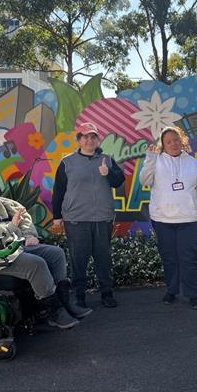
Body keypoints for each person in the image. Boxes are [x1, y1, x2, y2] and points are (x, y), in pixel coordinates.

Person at [0, 176, 91, 330]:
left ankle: (64, 303)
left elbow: (21, 213)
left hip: (10, 249)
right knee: (36, 265)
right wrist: (10, 227)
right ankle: (53, 310)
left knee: (56, 254)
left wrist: (28, 234)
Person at [140, 126, 197, 310]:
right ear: (163, 144)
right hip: (162, 220)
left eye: (176, 140)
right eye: (168, 141)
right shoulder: (156, 160)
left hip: (188, 220)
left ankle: (192, 294)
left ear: (181, 141)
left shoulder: (192, 162)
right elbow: (144, 181)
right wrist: (150, 160)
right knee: (169, 258)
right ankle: (172, 290)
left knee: (188, 258)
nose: (173, 144)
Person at [52, 122, 125, 309]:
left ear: (98, 139)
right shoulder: (67, 162)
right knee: (79, 258)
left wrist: (108, 173)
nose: (89, 140)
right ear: (79, 140)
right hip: (76, 219)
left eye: (93, 136)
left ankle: (107, 293)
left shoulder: (107, 160)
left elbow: (118, 181)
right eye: (85, 136)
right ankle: (79, 295)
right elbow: (59, 190)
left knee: (103, 257)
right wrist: (57, 216)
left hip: (102, 218)